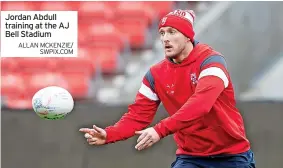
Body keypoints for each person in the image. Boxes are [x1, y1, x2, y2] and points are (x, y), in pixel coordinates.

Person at [79, 9, 256, 168]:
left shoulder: (212, 62)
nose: (165, 38)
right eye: (162, 33)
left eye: (172, 32)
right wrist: (109, 134)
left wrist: (159, 130)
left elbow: (200, 105)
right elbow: (137, 116)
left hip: (232, 156)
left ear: (188, 36)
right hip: (191, 158)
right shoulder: (155, 75)